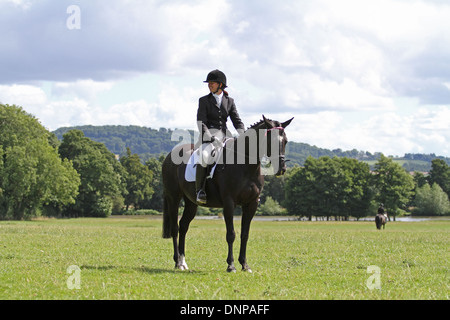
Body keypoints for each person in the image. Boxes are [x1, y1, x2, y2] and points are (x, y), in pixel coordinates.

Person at [195, 69, 245, 205]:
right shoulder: (204, 100)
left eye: (212, 83)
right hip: (209, 136)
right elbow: (201, 122)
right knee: (204, 156)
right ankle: (200, 190)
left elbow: (236, 121)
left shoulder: (230, 101)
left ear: (220, 85)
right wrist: (209, 137)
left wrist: (244, 134)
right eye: (208, 83)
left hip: (225, 136)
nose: (209, 85)